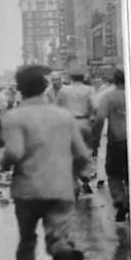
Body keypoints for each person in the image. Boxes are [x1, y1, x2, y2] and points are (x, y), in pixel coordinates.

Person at [0, 65, 90, 260]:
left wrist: (0, 159)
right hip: (60, 187)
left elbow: (14, 152)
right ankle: (66, 258)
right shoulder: (63, 116)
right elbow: (82, 155)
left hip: (27, 189)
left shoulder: (14, 116)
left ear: (20, 89)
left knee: (27, 240)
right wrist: (72, 176)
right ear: (44, 87)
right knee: (58, 234)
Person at [92, 68, 128, 222]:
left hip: (117, 142)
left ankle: (120, 200)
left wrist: (95, 142)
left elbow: (100, 119)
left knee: (113, 174)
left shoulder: (108, 97)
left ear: (114, 80)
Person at [56, 66, 96, 194]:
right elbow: (95, 107)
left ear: (70, 77)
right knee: (86, 150)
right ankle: (85, 175)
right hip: (85, 122)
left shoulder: (63, 91)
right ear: (83, 77)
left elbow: (57, 109)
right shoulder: (90, 90)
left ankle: (73, 182)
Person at [92, 73, 116, 188]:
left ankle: (101, 177)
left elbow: (97, 111)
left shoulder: (104, 93)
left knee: (103, 153)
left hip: (107, 128)